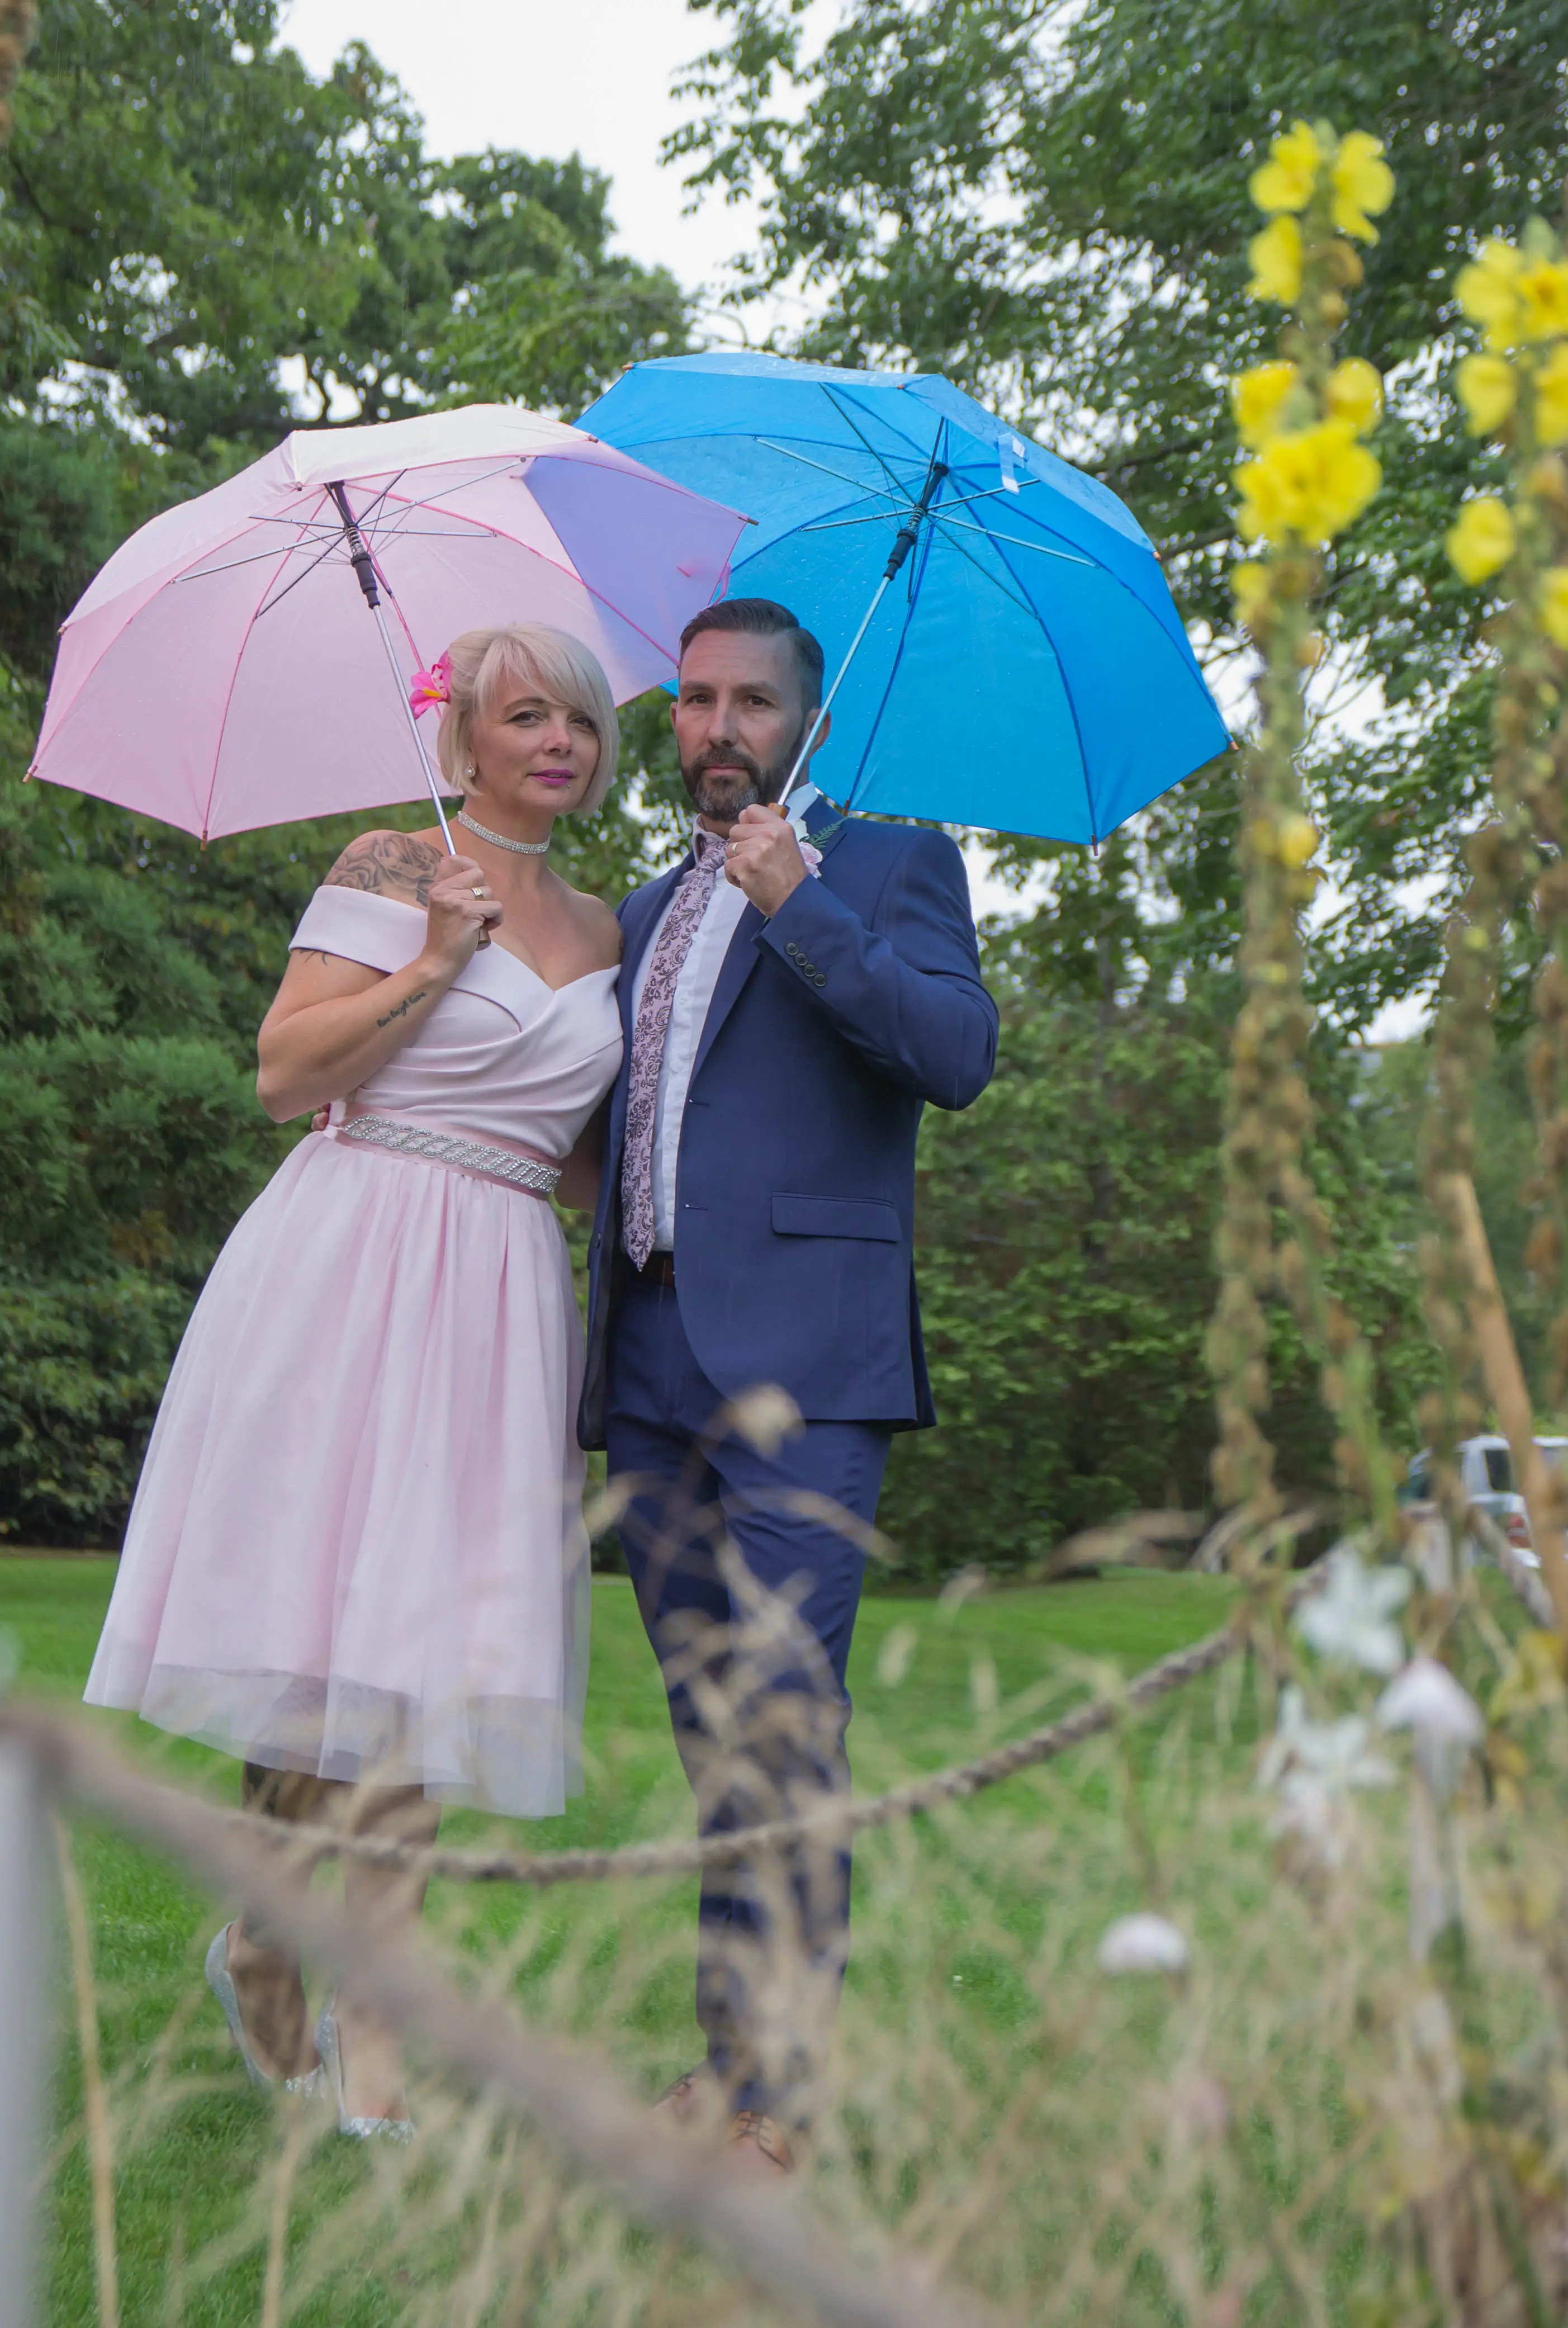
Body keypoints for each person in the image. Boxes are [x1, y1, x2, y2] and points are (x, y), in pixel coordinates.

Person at [85, 623, 624, 2137]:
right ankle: (265, 1937)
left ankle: (373, 2047)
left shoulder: (607, 921)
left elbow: (577, 1154)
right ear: (461, 736)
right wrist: (442, 958)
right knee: (322, 1652)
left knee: (427, 1664)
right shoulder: (397, 864)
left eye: (578, 720)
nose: (558, 742)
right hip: (351, 1257)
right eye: (526, 715)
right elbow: (283, 1072)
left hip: (503, 1287)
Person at [579, 597, 998, 2172]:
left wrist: (804, 904)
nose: (715, 727)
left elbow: (955, 1051)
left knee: (784, 1724)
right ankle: (729, 2059)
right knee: (713, 1737)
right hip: (647, 1363)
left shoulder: (888, 860)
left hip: (808, 1372)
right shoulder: (637, 909)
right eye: (692, 700)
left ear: (806, 720)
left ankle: (784, 2096)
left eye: (751, 700)